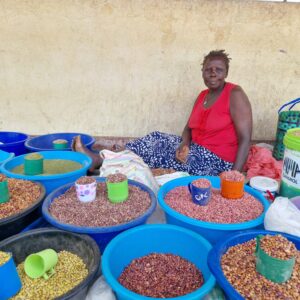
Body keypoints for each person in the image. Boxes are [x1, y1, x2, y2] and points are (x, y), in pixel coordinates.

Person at [73, 50, 252, 176]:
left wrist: (233, 174)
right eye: (208, 69)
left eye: (218, 70)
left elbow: (245, 139)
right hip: (195, 149)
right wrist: (184, 145)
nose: (213, 74)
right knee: (155, 138)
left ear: (226, 73)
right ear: (202, 72)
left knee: (160, 155)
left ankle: (100, 160)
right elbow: (188, 128)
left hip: (217, 161)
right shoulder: (202, 96)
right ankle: (107, 157)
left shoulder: (235, 94)